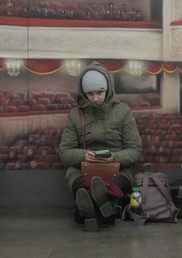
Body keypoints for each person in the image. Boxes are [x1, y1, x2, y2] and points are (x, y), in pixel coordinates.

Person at [57, 62, 143, 232]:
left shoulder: (123, 111)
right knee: (83, 185)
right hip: (83, 170)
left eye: (100, 93)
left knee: (101, 189)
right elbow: (64, 152)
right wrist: (83, 155)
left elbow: (136, 150)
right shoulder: (75, 115)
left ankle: (86, 214)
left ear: (108, 90)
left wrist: (115, 157)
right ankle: (103, 210)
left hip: (117, 170)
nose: (95, 98)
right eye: (90, 94)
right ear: (84, 93)